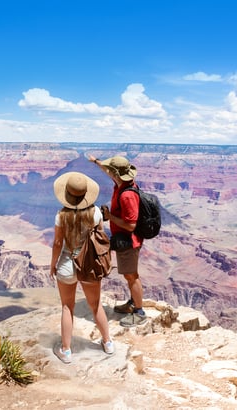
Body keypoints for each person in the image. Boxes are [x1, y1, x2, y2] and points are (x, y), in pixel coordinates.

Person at [50, 171, 115, 364]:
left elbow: (57, 243)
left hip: (67, 264)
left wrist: (52, 266)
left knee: (67, 307)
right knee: (95, 306)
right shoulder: (95, 213)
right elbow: (99, 238)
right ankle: (108, 343)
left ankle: (66, 351)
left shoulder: (61, 215)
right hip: (89, 264)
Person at [89, 155, 147, 327]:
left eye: (111, 171)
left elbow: (131, 225)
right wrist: (96, 162)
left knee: (131, 276)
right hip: (125, 240)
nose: (109, 173)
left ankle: (139, 312)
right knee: (129, 274)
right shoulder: (121, 184)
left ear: (117, 174)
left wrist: (109, 217)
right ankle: (132, 303)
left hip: (129, 241)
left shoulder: (126, 195)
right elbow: (109, 172)